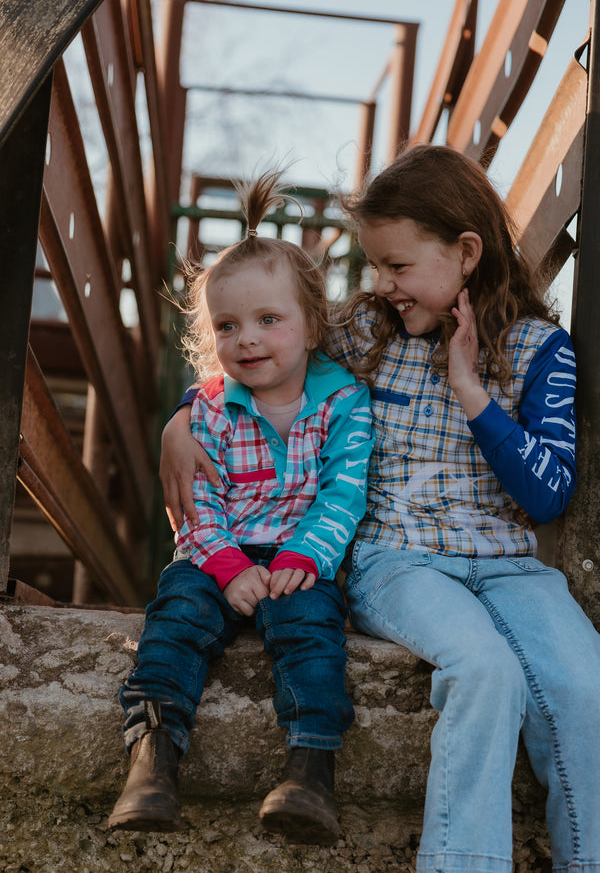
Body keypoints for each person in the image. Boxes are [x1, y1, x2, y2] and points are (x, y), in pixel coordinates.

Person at [160, 144, 600, 872]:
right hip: (398, 558)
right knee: (485, 670)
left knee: (586, 684)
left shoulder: (540, 350)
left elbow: (549, 493)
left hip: (512, 566)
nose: (384, 283)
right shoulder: (368, 331)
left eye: (398, 266)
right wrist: (182, 416)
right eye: (375, 267)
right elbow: (268, 349)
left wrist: (473, 394)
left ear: (465, 252)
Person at [108, 168, 373, 843]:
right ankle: (152, 762)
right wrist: (227, 568)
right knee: (175, 618)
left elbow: (345, 490)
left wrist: (304, 555)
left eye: (268, 320)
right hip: (214, 556)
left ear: (312, 326)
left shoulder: (343, 403)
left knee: (312, 628)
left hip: (297, 556)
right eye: (228, 325)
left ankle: (310, 772)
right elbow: (198, 506)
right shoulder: (209, 410)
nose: (247, 339)